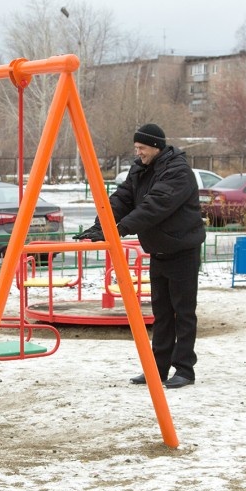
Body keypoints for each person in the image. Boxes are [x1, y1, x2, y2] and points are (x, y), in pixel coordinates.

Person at [73, 123, 206, 389]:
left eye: (142, 148)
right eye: (136, 148)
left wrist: (118, 229)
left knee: (183, 313)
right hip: (158, 251)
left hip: (182, 251)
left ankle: (185, 369)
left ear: (156, 147)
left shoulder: (178, 173)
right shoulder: (141, 169)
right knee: (161, 313)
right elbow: (122, 200)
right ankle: (158, 368)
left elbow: (154, 206)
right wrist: (101, 225)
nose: (139, 152)